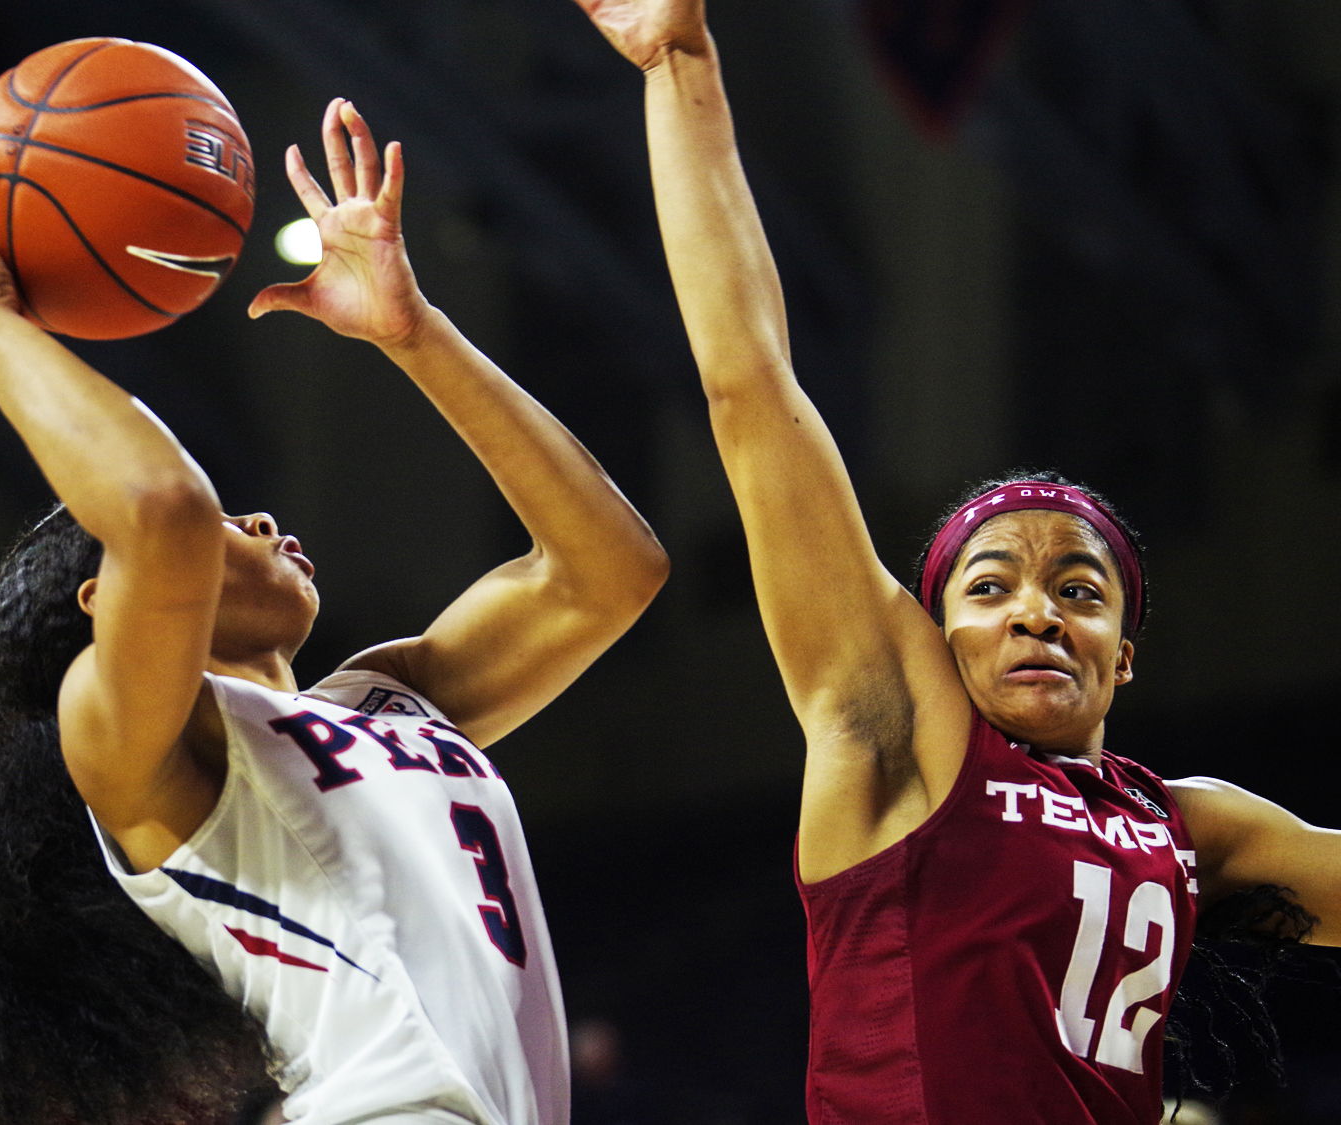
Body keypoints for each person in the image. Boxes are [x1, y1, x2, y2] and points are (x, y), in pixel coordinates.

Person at [0, 99, 667, 1125]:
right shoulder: (126, 744)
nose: (251, 515)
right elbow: (163, 509)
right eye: (216, 528)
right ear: (101, 597)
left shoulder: (391, 698)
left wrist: (413, 334)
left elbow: (609, 568)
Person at [568, 1, 1341, 1122]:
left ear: (1121, 656)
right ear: (934, 634)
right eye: (989, 589)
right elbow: (747, 380)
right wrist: (679, 66)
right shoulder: (899, 731)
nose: (1036, 612)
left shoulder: (1193, 828)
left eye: (1077, 591)